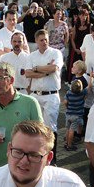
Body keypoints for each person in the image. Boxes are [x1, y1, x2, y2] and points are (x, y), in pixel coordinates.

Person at [0, 62, 43, 171]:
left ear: (11, 80)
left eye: (0, 78)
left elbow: (41, 135)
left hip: (23, 167)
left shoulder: (30, 103)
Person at [25, 30, 63, 158]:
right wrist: (45, 71)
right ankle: (37, 154)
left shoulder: (55, 53)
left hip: (51, 95)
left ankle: (52, 158)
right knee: (35, 126)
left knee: (50, 127)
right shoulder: (32, 56)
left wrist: (36, 68)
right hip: (36, 95)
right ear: (36, 41)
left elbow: (54, 68)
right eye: (41, 40)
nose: (44, 42)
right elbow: (27, 73)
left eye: (46, 39)